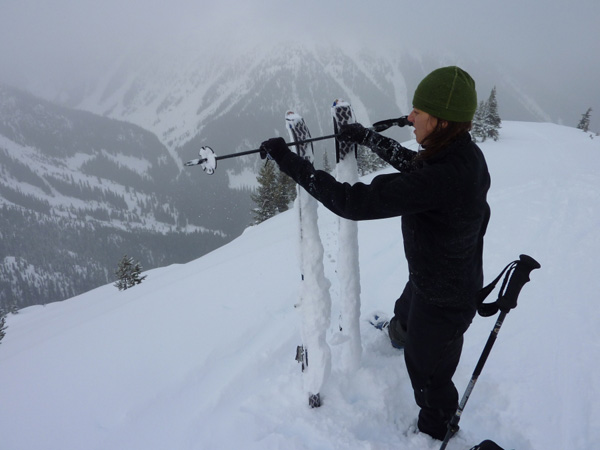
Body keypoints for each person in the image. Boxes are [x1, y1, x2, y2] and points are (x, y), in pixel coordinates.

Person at [260, 66, 491, 441]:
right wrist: (368, 137)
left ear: (443, 121)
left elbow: (353, 201)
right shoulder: (460, 154)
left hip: (447, 297)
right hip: (435, 273)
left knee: (428, 371)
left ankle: (436, 428)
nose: (410, 117)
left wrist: (291, 162)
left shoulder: (446, 176)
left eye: (419, 112)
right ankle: (400, 331)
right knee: (409, 307)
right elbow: (418, 167)